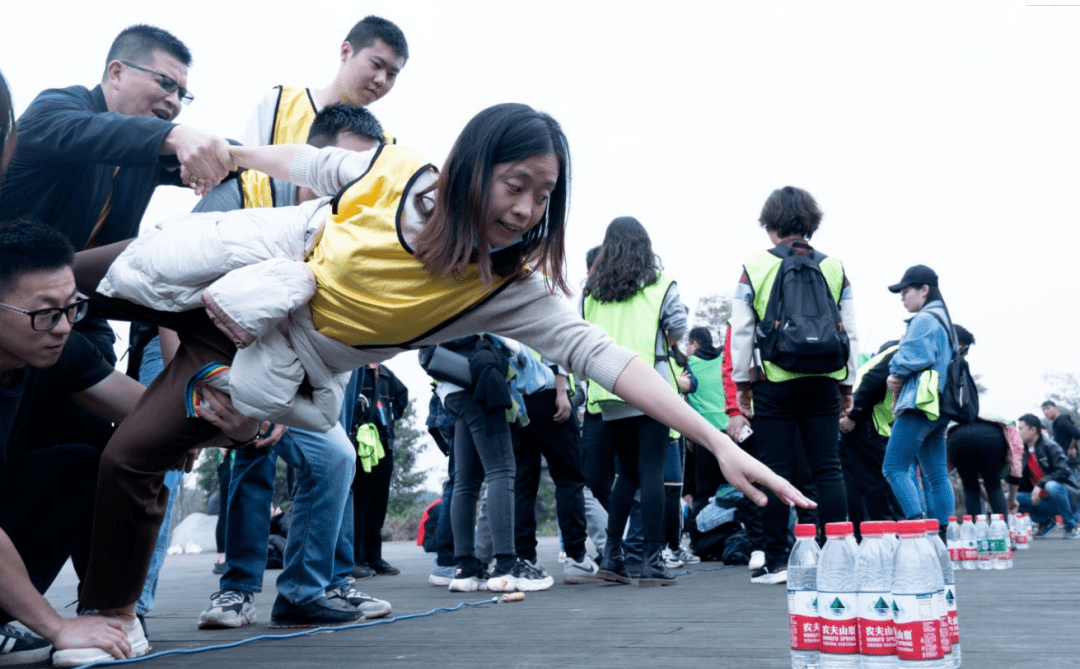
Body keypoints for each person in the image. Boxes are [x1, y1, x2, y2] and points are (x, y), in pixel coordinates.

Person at [63, 104, 813, 660]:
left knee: (129, 456)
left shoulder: (506, 288)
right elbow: (313, 163)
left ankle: (109, 613)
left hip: (257, 359)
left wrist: (716, 440)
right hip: (231, 267)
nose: (525, 209)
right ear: (471, 166)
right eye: (515, 183)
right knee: (56, 281)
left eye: (543, 195)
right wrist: (234, 153)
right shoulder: (396, 171)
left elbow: (606, 358)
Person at [194, 106, 389, 630]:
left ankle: (305, 590)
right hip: (223, 368)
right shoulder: (248, 197)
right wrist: (209, 388)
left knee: (336, 457)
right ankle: (235, 590)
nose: (353, 183)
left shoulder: (357, 231)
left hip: (303, 378)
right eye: (343, 167)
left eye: (365, 172)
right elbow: (181, 292)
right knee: (248, 457)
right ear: (311, 162)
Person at [0, 24, 232, 362]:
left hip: (84, 313)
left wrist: (235, 159)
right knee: (161, 244)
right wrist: (177, 137)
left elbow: (228, 157)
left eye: (183, 94)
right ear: (117, 72)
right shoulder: (55, 109)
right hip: (16, 295)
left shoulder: (150, 155)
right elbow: (100, 133)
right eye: (166, 83)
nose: (174, 101)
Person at [729, 186, 859, 584]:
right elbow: (849, 331)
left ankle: (778, 559)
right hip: (823, 381)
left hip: (775, 380)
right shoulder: (834, 266)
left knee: (773, 470)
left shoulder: (755, 265)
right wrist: (847, 383)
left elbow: (742, 330)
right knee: (828, 469)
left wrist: (741, 383)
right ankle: (837, 556)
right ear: (810, 223)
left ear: (771, 226)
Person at [584, 216, 687, 587]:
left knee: (626, 473)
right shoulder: (660, 284)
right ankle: (652, 560)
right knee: (652, 472)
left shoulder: (591, 291)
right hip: (651, 387)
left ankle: (612, 556)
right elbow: (677, 329)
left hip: (610, 390)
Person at [243, 15, 407, 148]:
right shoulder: (280, 105)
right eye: (376, 64)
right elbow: (243, 180)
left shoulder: (385, 147)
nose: (381, 80)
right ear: (345, 52)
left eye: (392, 74)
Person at [881, 265, 956, 528]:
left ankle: (918, 528)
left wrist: (894, 374)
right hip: (937, 406)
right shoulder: (944, 320)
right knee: (936, 475)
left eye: (905, 291)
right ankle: (943, 534)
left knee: (893, 467)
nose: (902, 297)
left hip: (918, 404)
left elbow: (911, 357)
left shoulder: (925, 319)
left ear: (924, 289)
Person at [946, 326, 1022, 517]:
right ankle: (1003, 539)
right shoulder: (1007, 426)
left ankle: (973, 541)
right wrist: (1011, 499)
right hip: (991, 438)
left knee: (969, 487)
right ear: (959, 344)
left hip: (957, 436)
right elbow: (1016, 466)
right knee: (994, 484)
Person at [348, 362, 408, 576]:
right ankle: (355, 558)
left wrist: (390, 419)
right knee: (359, 503)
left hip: (383, 445)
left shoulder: (386, 374)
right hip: (359, 445)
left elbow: (403, 395)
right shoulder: (354, 371)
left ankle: (374, 558)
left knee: (378, 503)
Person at [838, 340, 905, 522]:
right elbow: (871, 381)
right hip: (863, 419)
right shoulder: (901, 352)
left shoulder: (891, 354)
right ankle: (880, 535)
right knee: (875, 482)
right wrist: (854, 416)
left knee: (861, 482)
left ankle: (867, 534)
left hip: (864, 418)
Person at [1014, 414, 1080, 538]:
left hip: (1066, 497)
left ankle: (1071, 525)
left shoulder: (1050, 446)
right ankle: (1045, 521)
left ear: (1033, 430)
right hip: (1042, 500)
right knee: (1009, 497)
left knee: (1052, 486)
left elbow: (1063, 471)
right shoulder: (1023, 450)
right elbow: (1015, 478)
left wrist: (1040, 485)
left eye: (1020, 428)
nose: (1018, 432)